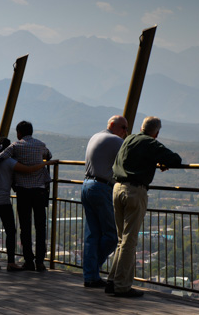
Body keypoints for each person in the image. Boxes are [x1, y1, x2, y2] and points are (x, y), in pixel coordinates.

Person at [106, 116, 182, 298]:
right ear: (156, 132)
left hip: (117, 188)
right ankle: (122, 286)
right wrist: (160, 162)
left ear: (141, 127)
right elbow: (175, 159)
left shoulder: (129, 139)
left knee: (121, 239)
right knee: (129, 240)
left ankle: (112, 281)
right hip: (134, 191)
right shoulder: (151, 144)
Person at [0, 121, 53, 272]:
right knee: (41, 227)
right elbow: (49, 155)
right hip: (40, 190)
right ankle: (40, 262)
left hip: (23, 191)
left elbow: (1, 157)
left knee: (25, 226)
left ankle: (29, 260)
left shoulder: (15, 146)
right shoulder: (41, 145)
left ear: (19, 133)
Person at [81, 115, 128, 288]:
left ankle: (90, 275)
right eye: (123, 128)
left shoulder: (95, 136)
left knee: (92, 235)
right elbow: (130, 159)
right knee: (111, 235)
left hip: (87, 185)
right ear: (113, 125)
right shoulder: (116, 141)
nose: (125, 132)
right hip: (101, 188)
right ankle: (91, 270)